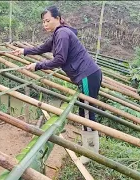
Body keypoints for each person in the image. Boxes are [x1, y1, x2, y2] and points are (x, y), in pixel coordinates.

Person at [12, 6, 102, 164]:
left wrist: (37, 66)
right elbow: (42, 48)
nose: (44, 24)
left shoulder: (62, 33)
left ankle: (91, 152)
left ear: (58, 18)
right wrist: (24, 51)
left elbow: (60, 59)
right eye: (43, 22)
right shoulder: (59, 34)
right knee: (85, 112)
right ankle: (89, 149)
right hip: (87, 75)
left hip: (87, 75)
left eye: (47, 20)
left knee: (87, 113)